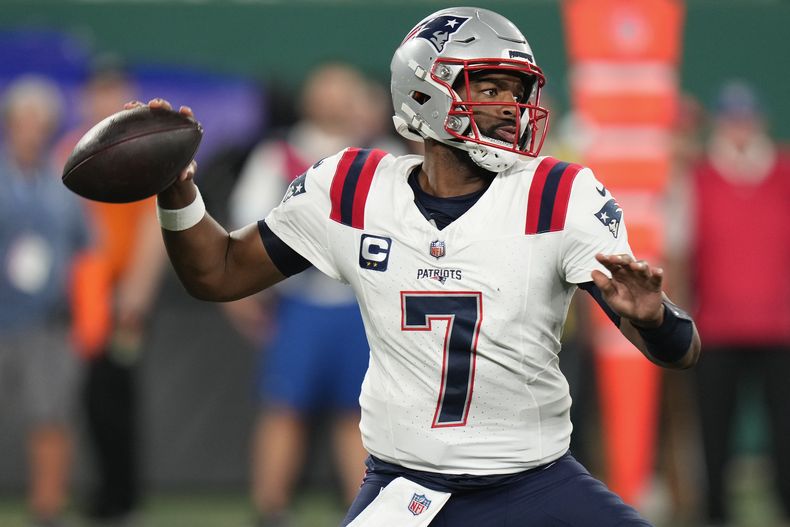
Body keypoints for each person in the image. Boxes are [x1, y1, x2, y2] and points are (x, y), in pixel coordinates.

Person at [133, 7, 700, 525]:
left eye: (518, 90)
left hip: (537, 484)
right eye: (492, 87)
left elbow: (680, 350)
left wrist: (653, 319)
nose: (511, 108)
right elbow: (219, 271)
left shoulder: (559, 194)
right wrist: (176, 193)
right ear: (424, 93)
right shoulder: (352, 188)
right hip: (406, 490)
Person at [224, 63, 377, 526]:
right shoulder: (279, 155)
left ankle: (363, 509)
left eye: (346, 92)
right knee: (284, 407)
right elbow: (247, 224)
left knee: (357, 413)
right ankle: (270, 507)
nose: (338, 101)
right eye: (330, 91)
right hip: (300, 304)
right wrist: (244, 295)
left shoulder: (377, 156)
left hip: (358, 304)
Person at [55, 57, 167, 525]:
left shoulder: (139, 149)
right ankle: (105, 493)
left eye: (114, 90)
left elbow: (153, 226)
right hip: (81, 293)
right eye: (99, 91)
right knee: (86, 396)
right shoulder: (68, 149)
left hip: (121, 292)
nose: (105, 101)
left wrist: (136, 294)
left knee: (115, 392)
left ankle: (121, 498)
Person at [687, 80, 790, 526]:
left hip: (781, 330)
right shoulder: (696, 177)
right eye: (732, 119)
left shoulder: (784, 173)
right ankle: (716, 517)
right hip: (716, 329)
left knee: (785, 438)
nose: (740, 129)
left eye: (746, 118)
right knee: (714, 437)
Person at [0, 75, 90, 527]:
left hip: (48, 322)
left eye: (40, 122)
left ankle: (47, 509)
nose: (30, 130)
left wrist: (87, 318)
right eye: (22, 121)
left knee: (50, 416)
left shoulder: (65, 185)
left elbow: (85, 251)